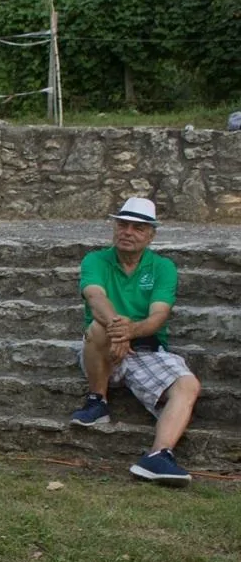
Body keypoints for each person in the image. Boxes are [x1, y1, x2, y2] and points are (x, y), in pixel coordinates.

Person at [69, 196, 202, 486]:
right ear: (115, 228)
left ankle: (157, 456)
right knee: (98, 327)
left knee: (188, 384)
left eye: (138, 228)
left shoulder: (162, 267)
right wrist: (119, 329)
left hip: (146, 349)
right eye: (123, 225)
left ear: (151, 235)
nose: (128, 232)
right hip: (102, 348)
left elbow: (159, 316)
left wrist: (132, 331)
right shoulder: (95, 260)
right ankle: (97, 400)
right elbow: (95, 297)